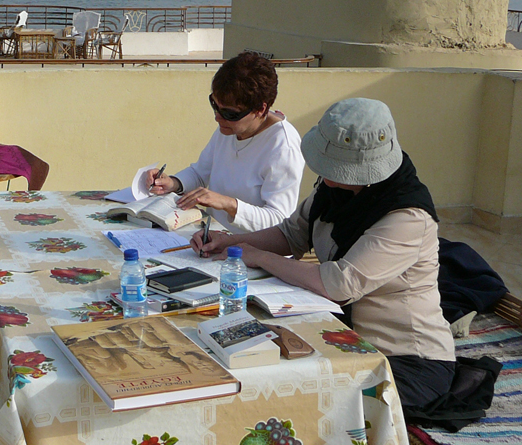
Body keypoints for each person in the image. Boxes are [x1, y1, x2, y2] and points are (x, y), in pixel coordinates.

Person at [199, 98, 456, 409]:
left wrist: (259, 257)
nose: (325, 173)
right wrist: (232, 243)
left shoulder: (407, 216)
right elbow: (292, 233)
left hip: (403, 359)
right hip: (343, 338)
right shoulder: (338, 189)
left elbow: (339, 284)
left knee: (308, 404)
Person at [147, 51, 303, 234]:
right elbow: (200, 173)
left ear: (260, 109)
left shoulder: (283, 146)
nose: (218, 118)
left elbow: (279, 221)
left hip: (254, 253)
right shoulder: (231, 128)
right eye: (214, 105)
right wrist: (173, 183)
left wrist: (228, 204)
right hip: (214, 238)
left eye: (229, 113)